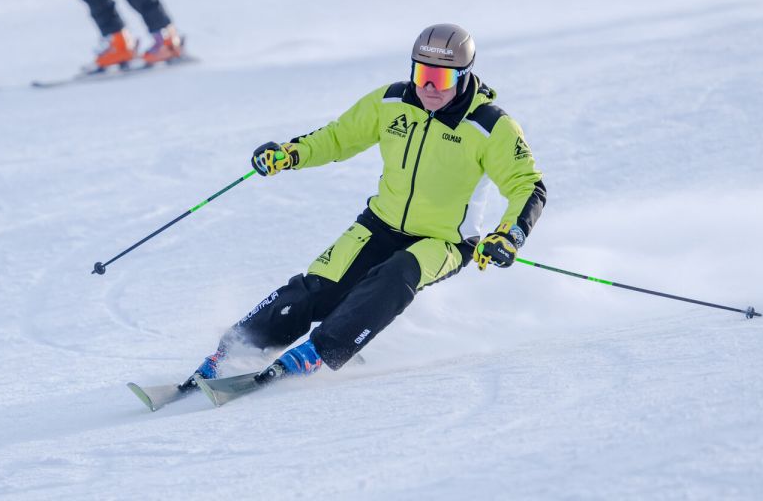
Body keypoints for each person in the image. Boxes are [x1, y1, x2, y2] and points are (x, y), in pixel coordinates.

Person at [184, 24, 547, 388]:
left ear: (464, 77)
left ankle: (318, 355)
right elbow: (338, 137)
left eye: (441, 78)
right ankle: (233, 352)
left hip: (445, 241)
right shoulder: (391, 103)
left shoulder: (491, 127)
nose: (429, 88)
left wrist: (508, 235)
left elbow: (528, 186)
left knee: (396, 274)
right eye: (422, 74)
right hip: (380, 223)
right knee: (317, 287)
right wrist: (290, 154)